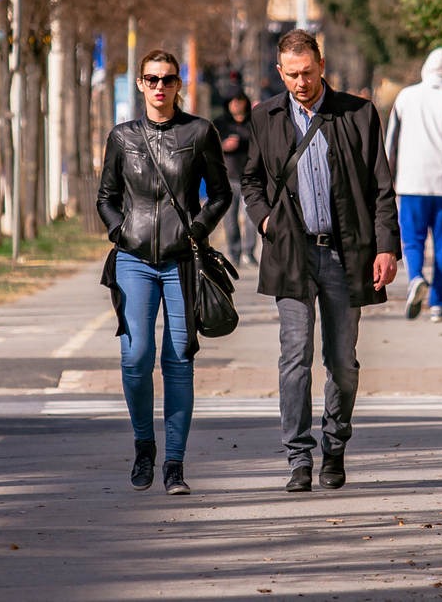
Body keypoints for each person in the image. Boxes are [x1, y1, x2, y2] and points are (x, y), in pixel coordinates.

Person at [240, 29, 400, 493]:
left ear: (322, 65)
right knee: (295, 356)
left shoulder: (357, 113)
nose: (301, 82)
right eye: (291, 75)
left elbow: (380, 187)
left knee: (342, 362)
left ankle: (335, 444)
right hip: (291, 252)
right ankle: (298, 458)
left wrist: (386, 246)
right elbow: (250, 181)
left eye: (308, 72)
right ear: (279, 72)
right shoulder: (264, 116)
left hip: (344, 252)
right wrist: (265, 220)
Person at [97, 50, 232, 495]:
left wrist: (195, 228)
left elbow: (220, 194)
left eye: (168, 79)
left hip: (181, 263)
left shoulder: (200, 132)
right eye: (151, 79)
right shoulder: (122, 137)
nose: (159, 87)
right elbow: (106, 196)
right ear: (140, 84)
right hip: (134, 260)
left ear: (179, 85)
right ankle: (143, 445)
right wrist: (121, 231)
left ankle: (175, 464)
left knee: (178, 361)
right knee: (135, 357)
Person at [385, 47, 442, 324]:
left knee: (412, 239)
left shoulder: (405, 97)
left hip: (411, 182)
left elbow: (392, 142)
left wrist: (387, 180)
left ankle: (415, 278)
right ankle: (438, 305)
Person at [213, 90, 257, 268]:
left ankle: (249, 253)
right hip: (227, 177)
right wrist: (223, 146)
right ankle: (234, 253)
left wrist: (244, 143)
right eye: (232, 100)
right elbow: (209, 147)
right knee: (230, 220)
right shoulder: (220, 123)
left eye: (239, 100)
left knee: (251, 218)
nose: (236, 103)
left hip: (250, 177)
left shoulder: (254, 122)